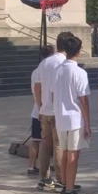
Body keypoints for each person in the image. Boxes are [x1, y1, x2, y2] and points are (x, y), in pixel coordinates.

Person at [48, 33, 91, 194]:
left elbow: (52, 94)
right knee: (73, 155)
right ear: (78, 51)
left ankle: (66, 184)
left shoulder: (56, 71)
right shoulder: (79, 72)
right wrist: (88, 124)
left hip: (60, 116)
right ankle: (69, 190)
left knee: (65, 153)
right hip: (74, 118)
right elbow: (83, 100)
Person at [36, 33, 71, 191]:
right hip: (58, 110)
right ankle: (61, 179)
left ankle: (44, 178)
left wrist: (40, 106)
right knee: (59, 145)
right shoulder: (64, 63)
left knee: (45, 144)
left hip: (45, 109)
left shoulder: (45, 63)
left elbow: (37, 86)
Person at [28, 45, 54, 176]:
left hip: (36, 110)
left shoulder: (35, 71)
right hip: (48, 110)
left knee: (36, 140)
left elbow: (34, 90)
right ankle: (48, 166)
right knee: (50, 141)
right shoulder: (51, 71)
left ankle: (31, 166)